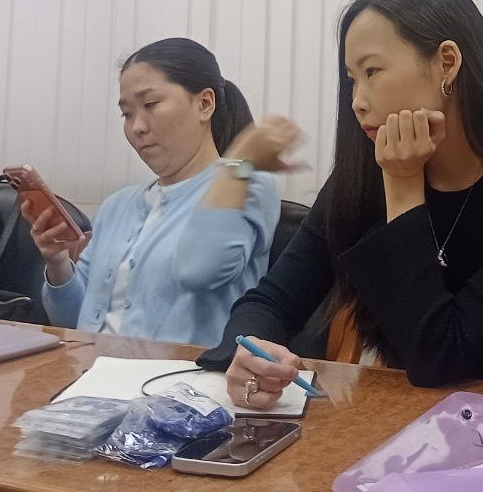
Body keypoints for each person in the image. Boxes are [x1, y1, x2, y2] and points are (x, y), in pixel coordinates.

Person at [198, 0, 483, 408]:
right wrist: (253, 351)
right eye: (352, 79)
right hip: (401, 422)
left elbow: (440, 358)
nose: (357, 101)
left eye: (372, 72)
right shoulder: (361, 179)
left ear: (446, 63)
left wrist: (402, 184)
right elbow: (271, 301)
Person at [25, 38, 291, 347]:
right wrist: (58, 262)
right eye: (126, 114)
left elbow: (201, 272)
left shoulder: (246, 181)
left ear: (205, 104)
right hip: (91, 368)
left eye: (150, 104)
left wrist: (241, 159)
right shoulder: (117, 205)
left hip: (183, 375)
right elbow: (73, 323)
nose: (136, 127)